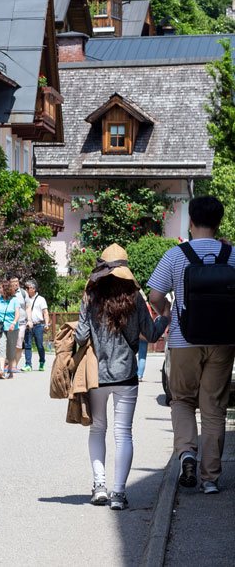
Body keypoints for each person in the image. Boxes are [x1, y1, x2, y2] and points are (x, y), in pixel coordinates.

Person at [148, 196, 235, 494]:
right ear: (219, 222)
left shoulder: (175, 255)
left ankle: (187, 452)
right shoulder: (233, 255)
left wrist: (166, 315)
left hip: (184, 340)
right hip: (224, 341)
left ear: (191, 221)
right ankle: (210, 479)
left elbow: (156, 296)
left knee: (182, 400)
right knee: (214, 408)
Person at [77, 244, 168, 510]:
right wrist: (164, 317)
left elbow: (81, 337)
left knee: (97, 429)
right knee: (123, 433)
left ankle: (99, 486)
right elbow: (151, 335)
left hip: (97, 377)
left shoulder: (90, 297)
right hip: (126, 375)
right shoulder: (135, 298)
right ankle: (119, 493)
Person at [0, 279, 22, 380]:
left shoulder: (14, 300)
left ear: (5, 289)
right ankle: (1, 370)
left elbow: (17, 314)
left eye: (0, 288)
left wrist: (13, 323)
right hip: (1, 327)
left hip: (12, 328)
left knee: (11, 350)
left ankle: (10, 370)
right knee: (1, 347)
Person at [22, 280, 50, 372]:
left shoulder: (41, 299)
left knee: (39, 345)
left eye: (28, 288)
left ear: (33, 289)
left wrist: (46, 324)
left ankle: (42, 362)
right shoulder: (25, 298)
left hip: (38, 325)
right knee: (27, 345)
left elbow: (45, 312)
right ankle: (28, 364)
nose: (26, 289)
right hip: (28, 325)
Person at [8, 274, 29, 371]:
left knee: (19, 343)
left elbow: (28, 307)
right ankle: (9, 362)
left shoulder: (24, 293)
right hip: (10, 322)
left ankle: (14, 364)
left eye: (17, 281)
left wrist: (30, 320)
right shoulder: (7, 293)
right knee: (10, 343)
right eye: (13, 281)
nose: (15, 283)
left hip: (21, 323)